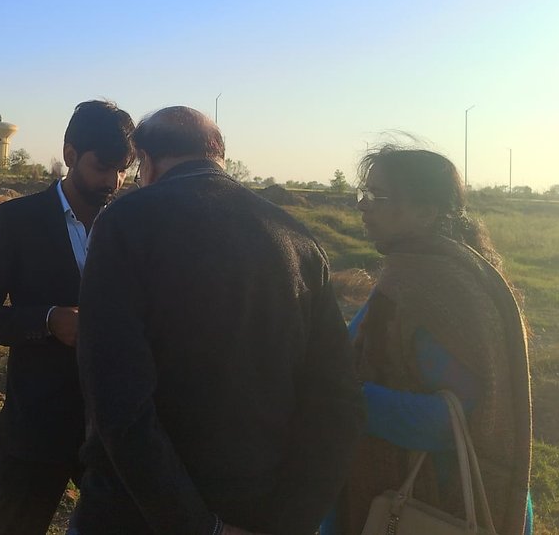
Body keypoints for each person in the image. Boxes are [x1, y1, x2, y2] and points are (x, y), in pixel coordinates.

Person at [73, 106, 364, 535]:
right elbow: (338, 404)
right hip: (259, 508)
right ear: (219, 157)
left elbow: (118, 398)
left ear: (146, 161)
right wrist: (290, 521)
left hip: (137, 515)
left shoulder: (126, 222)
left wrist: (198, 526)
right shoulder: (298, 239)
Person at [323, 145, 532, 535]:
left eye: (378, 196)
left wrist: (341, 396)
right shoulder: (423, 272)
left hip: (431, 504)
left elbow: (458, 418)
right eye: (363, 193)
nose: (362, 205)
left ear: (426, 212)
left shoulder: (434, 287)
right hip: (413, 494)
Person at [0, 99, 136, 535]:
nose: (113, 181)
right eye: (103, 167)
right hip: (38, 428)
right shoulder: (18, 219)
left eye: (123, 169)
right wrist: (48, 320)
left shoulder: (132, 226)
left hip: (114, 428)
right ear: (70, 154)